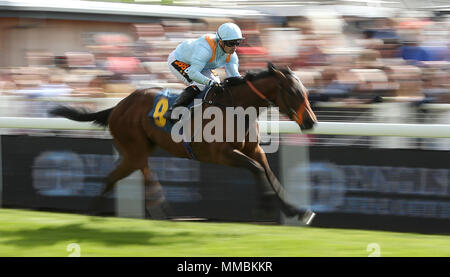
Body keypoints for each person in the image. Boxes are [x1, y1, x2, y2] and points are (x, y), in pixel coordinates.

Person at [165, 22, 243, 119]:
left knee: (217, 85)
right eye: (231, 43)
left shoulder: (232, 56)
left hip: (201, 65)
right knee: (201, 84)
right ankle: (173, 111)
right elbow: (193, 73)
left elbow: (234, 77)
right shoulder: (205, 50)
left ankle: (202, 110)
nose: (234, 47)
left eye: (237, 43)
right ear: (220, 42)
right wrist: (210, 82)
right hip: (179, 60)